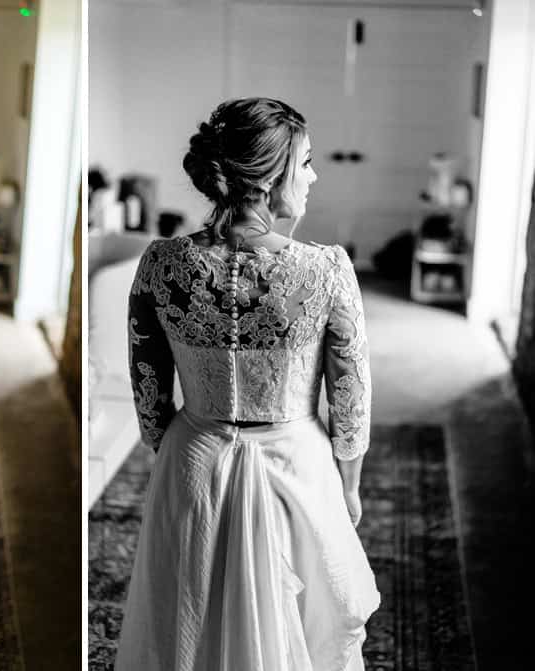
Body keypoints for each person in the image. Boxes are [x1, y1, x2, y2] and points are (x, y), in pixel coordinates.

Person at [115, 98, 380, 670]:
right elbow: (350, 396)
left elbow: (148, 391)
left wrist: (185, 454)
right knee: (306, 632)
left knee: (189, 622)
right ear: (266, 178)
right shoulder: (327, 270)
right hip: (297, 469)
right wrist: (349, 485)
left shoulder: (162, 264)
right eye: (304, 162)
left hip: (193, 463)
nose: (313, 176)